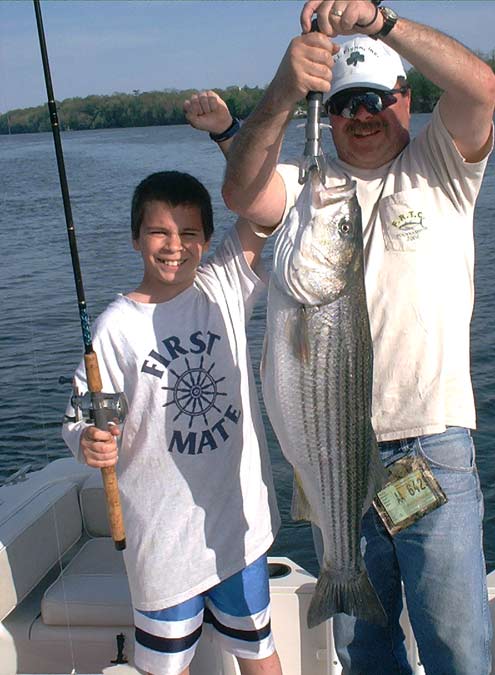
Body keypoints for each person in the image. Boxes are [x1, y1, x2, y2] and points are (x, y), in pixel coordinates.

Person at [221, 1, 495, 674]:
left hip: (431, 446)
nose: (363, 114)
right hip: (330, 450)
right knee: (363, 652)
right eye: (346, 103)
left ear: (407, 98)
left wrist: (380, 21)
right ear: (329, 114)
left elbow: (480, 88)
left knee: (456, 646)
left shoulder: (441, 163)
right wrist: (285, 88)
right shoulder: (309, 184)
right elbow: (241, 192)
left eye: (377, 97)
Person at [62, 91, 282, 675]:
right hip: (160, 544)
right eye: (159, 232)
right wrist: (88, 441)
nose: (174, 246)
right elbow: (83, 417)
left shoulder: (224, 283)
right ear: (136, 238)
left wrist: (227, 132)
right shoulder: (115, 328)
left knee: (259, 652)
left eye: (189, 232)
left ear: (207, 240)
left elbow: (267, 213)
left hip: (237, 530)